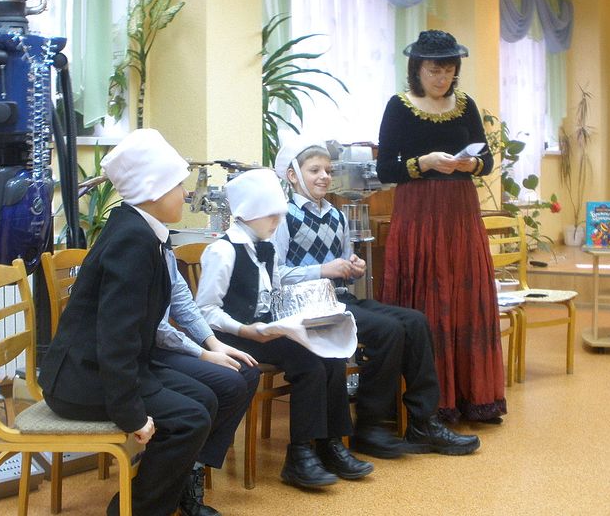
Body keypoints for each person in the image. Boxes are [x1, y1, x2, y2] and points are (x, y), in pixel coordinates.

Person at [38, 129, 240, 516]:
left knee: (206, 399)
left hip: (108, 369)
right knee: (190, 419)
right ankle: (135, 510)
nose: (185, 194)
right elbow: (116, 338)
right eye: (177, 185)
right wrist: (130, 413)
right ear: (152, 189)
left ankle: (157, 499)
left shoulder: (140, 229)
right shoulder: (132, 241)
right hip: (83, 381)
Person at [272, 137, 481, 458]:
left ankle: (423, 421)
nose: (324, 176)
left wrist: (353, 267)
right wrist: (322, 270)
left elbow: (344, 265)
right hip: (308, 306)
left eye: (328, 170)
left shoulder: (337, 215)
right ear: (292, 175)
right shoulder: (282, 217)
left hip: (340, 299)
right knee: (388, 330)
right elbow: (275, 275)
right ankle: (371, 426)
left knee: (415, 321)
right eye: (314, 170)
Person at [196, 168, 374, 489]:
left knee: (330, 354)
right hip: (231, 336)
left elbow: (274, 293)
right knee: (308, 364)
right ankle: (300, 454)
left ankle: (330, 443)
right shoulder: (223, 250)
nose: (278, 221)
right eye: (271, 215)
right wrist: (246, 330)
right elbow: (205, 311)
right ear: (249, 212)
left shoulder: (266, 246)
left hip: (265, 329)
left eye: (280, 214)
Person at [375, 29, 506, 424]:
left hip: (461, 211)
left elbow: (487, 160)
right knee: (428, 296)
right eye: (434, 70)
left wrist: (472, 164)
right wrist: (425, 163)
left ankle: (471, 395)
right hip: (418, 213)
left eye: (448, 70)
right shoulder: (399, 106)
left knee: (465, 295)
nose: (441, 78)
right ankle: (427, 402)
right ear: (417, 69)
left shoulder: (466, 105)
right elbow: (386, 169)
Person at [150, 234, 260, 515]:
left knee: (247, 372)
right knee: (229, 383)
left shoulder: (162, 242)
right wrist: (202, 353)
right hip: (147, 352)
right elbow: (157, 329)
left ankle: (193, 465)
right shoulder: (138, 243)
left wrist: (213, 343)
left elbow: (182, 300)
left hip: (166, 345)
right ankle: (178, 467)